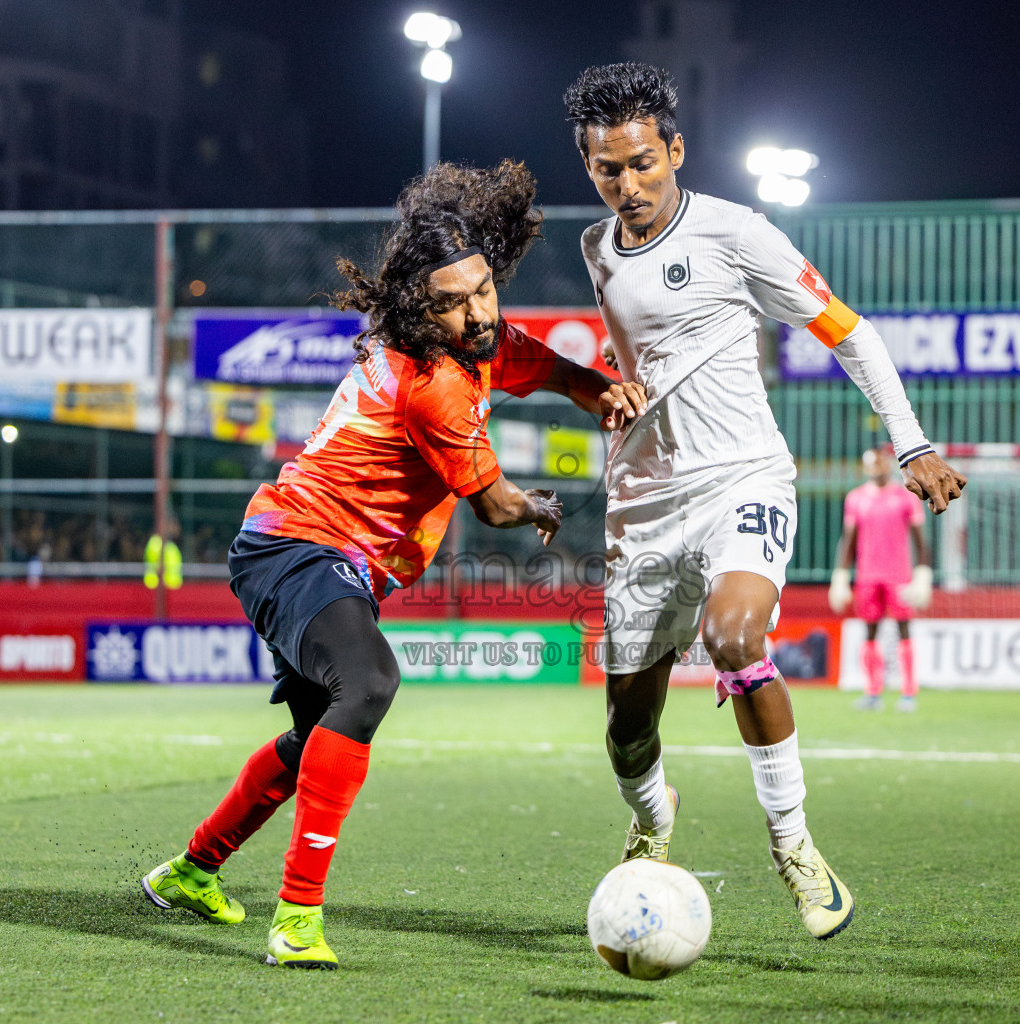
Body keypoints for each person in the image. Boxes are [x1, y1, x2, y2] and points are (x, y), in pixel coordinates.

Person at [138, 160, 645, 970]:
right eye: (451, 302)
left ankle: (192, 870)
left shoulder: (478, 339)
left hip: (328, 559)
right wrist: (542, 506)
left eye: (483, 287)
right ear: (419, 309)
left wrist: (598, 389)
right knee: (368, 684)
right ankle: (297, 918)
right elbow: (493, 505)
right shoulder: (432, 382)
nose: (476, 312)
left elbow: (533, 361)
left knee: (315, 738)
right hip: (295, 547)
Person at [563, 63, 966, 942]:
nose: (628, 185)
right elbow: (645, 358)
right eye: (607, 169)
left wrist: (914, 444)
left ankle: (796, 848)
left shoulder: (738, 233)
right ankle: (652, 815)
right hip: (643, 503)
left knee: (737, 636)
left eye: (642, 163)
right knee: (628, 725)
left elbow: (849, 333)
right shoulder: (596, 249)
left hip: (744, 474)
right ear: (589, 167)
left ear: (676, 149)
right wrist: (616, 390)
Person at [830, 447, 933, 712]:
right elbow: (849, 541)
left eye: (879, 464)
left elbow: (921, 541)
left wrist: (922, 574)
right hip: (867, 575)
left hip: (899, 576)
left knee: (903, 629)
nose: (876, 470)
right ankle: (872, 691)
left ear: (888, 465)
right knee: (870, 631)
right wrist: (841, 575)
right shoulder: (856, 499)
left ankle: (908, 691)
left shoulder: (905, 497)